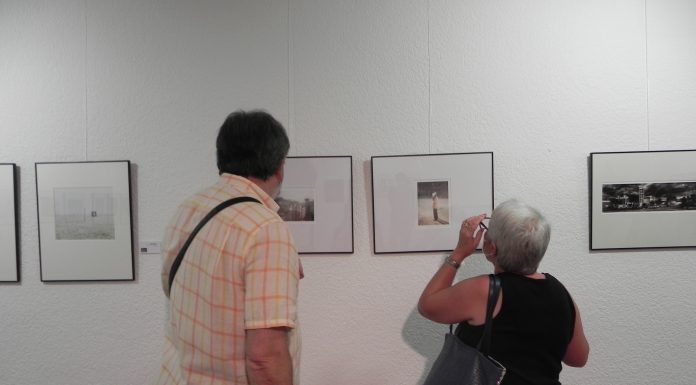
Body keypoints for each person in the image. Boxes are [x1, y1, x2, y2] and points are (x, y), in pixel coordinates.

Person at [155, 110, 303, 385]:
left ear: (221, 157)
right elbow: (264, 358)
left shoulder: (188, 208)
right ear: (280, 166)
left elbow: (171, 291)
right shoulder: (266, 228)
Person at [418, 199, 589, 385]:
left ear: (491, 248)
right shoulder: (560, 292)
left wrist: (459, 252)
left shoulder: (484, 290)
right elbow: (578, 358)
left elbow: (427, 305)